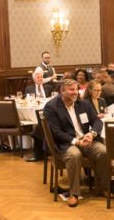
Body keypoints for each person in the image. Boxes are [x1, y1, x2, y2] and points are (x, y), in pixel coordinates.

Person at [43, 79, 108, 207]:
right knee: (74, 155)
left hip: (85, 140)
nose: (75, 92)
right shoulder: (52, 107)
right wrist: (76, 141)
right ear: (62, 91)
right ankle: (74, 193)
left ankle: (102, 187)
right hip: (65, 143)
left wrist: (91, 134)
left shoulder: (83, 104)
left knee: (104, 151)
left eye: (76, 89)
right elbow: (56, 132)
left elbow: (97, 121)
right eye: (71, 89)